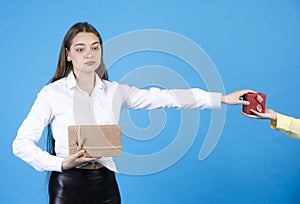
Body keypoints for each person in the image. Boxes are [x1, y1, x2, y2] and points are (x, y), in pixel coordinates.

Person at [12, 22, 253, 204]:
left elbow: (165, 97)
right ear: (68, 54)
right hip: (68, 185)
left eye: (95, 48)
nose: (89, 55)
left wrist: (221, 98)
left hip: (106, 183)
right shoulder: (52, 93)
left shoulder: (115, 91)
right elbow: (21, 144)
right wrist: (61, 163)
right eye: (80, 49)